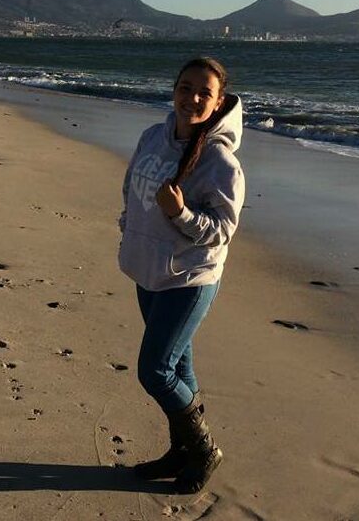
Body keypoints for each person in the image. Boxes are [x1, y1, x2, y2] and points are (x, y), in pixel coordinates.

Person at [118, 57, 245, 493]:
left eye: (203, 93)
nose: (192, 98)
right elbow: (130, 186)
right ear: (173, 89)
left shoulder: (221, 164)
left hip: (188, 279)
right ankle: (182, 452)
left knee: (155, 371)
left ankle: (204, 449)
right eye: (185, 87)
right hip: (146, 269)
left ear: (218, 102)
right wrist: (130, 228)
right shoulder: (152, 136)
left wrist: (182, 214)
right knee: (179, 365)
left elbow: (222, 232)